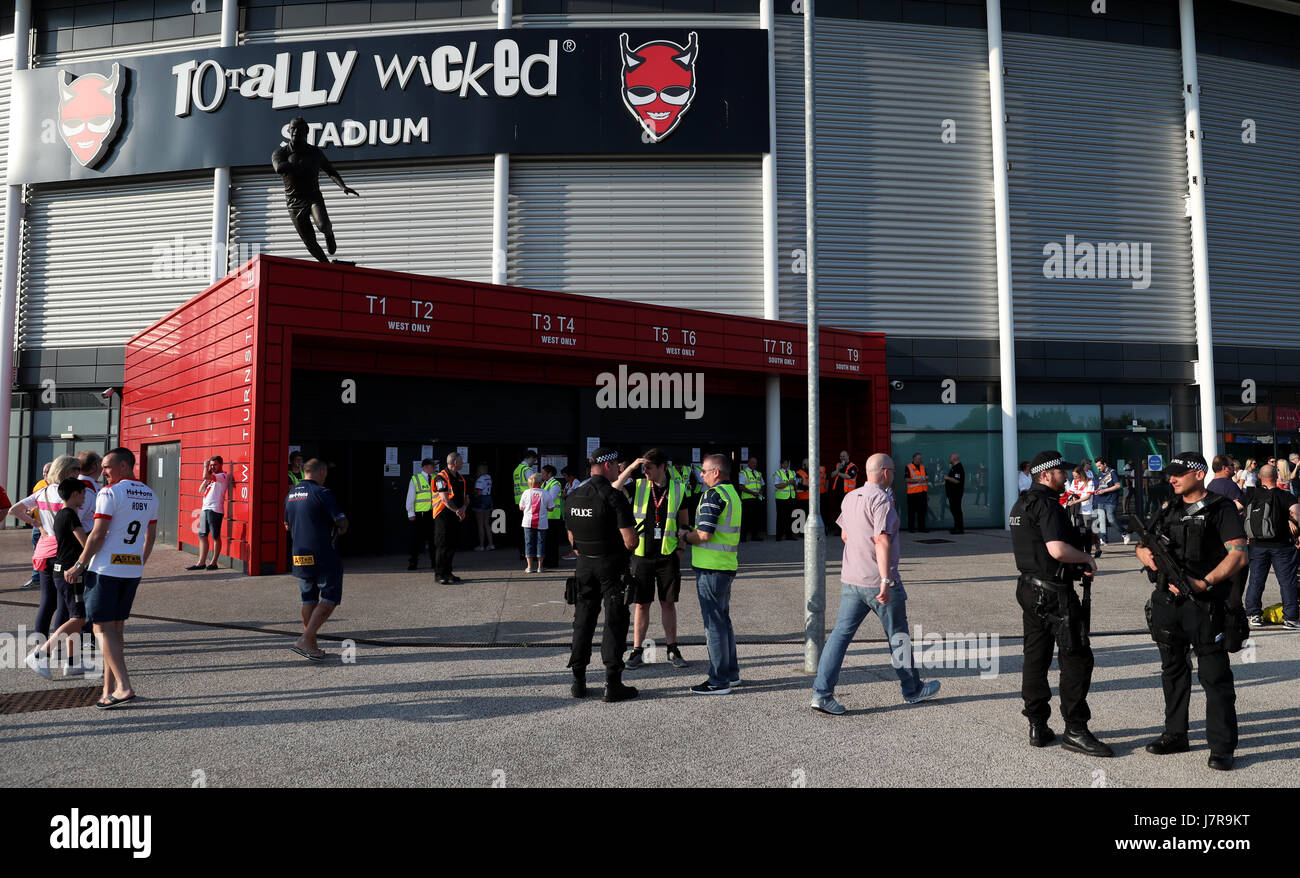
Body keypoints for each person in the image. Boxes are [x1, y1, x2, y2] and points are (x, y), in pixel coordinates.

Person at [1135, 451, 1248, 770]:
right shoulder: (1168, 507)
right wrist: (1144, 555)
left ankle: (1222, 746)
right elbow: (1142, 544)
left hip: (1205, 604)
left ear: (1199, 474)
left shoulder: (1220, 508)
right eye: (1170, 474)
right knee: (1172, 671)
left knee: (1215, 676)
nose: (1171, 478)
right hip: (1168, 605)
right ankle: (1175, 734)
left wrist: (1203, 583)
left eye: (1179, 474)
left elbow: (1238, 554)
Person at [810, 453, 941, 715]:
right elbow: (882, 540)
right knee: (898, 637)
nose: (893, 475)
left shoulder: (851, 497)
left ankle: (821, 694)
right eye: (892, 470)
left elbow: (846, 535)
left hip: (852, 579)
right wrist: (885, 579)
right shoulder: (882, 498)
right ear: (884, 473)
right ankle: (912, 690)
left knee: (839, 636)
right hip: (879, 582)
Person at [1009, 451, 1111, 757]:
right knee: (1076, 657)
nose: (1065, 476)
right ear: (1044, 475)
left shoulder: (1021, 503)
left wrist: (1079, 539)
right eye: (1059, 472)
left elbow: (1039, 544)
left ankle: (1038, 725)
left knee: (1035, 656)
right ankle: (1076, 730)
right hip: (1054, 592)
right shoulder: (1047, 504)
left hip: (1029, 589)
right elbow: (1056, 549)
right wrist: (1085, 557)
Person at [62, 447, 158, 709]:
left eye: (107, 466)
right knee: (114, 632)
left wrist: (80, 564)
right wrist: (140, 562)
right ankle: (108, 689)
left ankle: (124, 686)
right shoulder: (150, 494)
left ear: (124, 466)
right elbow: (150, 537)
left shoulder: (109, 492)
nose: (103, 472)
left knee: (101, 630)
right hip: (131, 570)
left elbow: (98, 534)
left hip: (105, 570)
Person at [563, 448, 638, 702]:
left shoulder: (573, 495)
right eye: (617, 464)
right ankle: (613, 683)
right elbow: (630, 542)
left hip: (584, 565)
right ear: (607, 466)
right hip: (611, 567)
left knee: (582, 620)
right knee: (615, 622)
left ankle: (578, 681)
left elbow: (572, 540)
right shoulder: (614, 497)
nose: (619, 468)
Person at [614, 450, 690, 671]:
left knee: (668, 603)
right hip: (641, 556)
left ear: (662, 467)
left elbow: (684, 523)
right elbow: (613, 490)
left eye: (649, 467)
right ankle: (637, 650)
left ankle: (672, 649)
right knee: (641, 604)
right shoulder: (637, 485)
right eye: (643, 467)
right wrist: (629, 468)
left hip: (668, 555)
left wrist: (681, 549)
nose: (644, 471)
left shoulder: (678, 489)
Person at [680, 453, 742, 694]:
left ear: (716, 472)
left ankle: (718, 680)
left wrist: (684, 536)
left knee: (714, 624)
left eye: (704, 471)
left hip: (711, 567)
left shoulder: (713, 495)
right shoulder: (732, 494)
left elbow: (704, 534)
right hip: (725, 565)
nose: (701, 475)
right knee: (723, 621)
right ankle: (731, 674)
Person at [24, 478, 91, 679]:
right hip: (71, 572)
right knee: (79, 618)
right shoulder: (70, 515)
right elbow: (85, 543)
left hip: (60, 570)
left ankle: (72, 662)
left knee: (74, 617)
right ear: (74, 494)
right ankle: (40, 653)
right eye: (83, 493)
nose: (85, 497)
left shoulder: (61, 514)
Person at [283, 458, 348, 662]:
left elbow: (286, 525)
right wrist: (341, 527)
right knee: (329, 597)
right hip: (322, 553)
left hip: (299, 553)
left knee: (308, 598)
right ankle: (305, 639)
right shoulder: (323, 493)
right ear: (320, 473)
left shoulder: (291, 495)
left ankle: (310, 643)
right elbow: (341, 521)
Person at [271, 116, 359, 263]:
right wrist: (299, 164)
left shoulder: (314, 153)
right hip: (294, 202)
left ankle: (329, 234)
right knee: (309, 241)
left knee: (323, 224)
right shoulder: (281, 153)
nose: (295, 132)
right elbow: (279, 168)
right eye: (293, 128)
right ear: (288, 130)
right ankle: (325, 266)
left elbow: (330, 170)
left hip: (313, 197)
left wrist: (343, 186)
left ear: (306, 132)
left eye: (299, 129)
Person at [12, 455, 82, 643]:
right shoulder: (68, 494)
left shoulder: (42, 493)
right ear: (67, 471)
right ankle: (56, 646)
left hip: (43, 551)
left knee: (47, 602)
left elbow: (14, 510)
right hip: (63, 551)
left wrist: (38, 524)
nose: (79, 473)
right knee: (64, 604)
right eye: (76, 469)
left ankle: (39, 643)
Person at [1241, 464, 1300, 630]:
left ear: (1260, 476)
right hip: (1282, 545)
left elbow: (1235, 508)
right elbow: (1297, 512)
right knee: (1287, 581)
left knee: (1256, 580)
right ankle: (1290, 618)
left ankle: (1254, 614)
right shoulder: (1285, 495)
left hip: (1256, 545)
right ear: (1277, 476)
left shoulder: (1250, 494)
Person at [432, 451, 469, 585]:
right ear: (455, 463)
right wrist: (457, 510)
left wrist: (463, 508)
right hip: (443, 516)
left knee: (452, 545)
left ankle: (448, 572)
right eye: (461, 461)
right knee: (442, 546)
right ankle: (439, 574)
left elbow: (466, 497)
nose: (462, 463)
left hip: (456, 515)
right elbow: (444, 499)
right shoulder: (441, 478)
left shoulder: (461, 478)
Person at [191, 455, 229, 571]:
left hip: (215, 509)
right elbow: (201, 490)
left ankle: (214, 562)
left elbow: (205, 475)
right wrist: (206, 478)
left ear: (221, 464)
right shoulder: (211, 478)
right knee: (202, 535)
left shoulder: (222, 476)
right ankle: (201, 562)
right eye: (211, 465)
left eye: (215, 464)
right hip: (205, 508)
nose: (212, 467)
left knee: (215, 536)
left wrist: (205, 467)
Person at [19, 462, 52, 589]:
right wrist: (30, 512)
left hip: (51, 526)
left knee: (53, 554)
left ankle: (50, 579)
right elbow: (34, 502)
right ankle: (36, 578)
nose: (44, 474)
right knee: (37, 553)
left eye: (47, 472)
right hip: (38, 525)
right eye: (43, 472)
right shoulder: (39, 485)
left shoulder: (59, 485)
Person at [406, 458, 437, 571]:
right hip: (419, 514)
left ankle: (435, 562)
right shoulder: (415, 479)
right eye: (433, 466)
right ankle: (413, 562)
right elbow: (410, 496)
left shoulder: (435, 478)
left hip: (432, 513)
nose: (434, 468)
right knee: (416, 540)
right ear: (426, 467)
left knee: (433, 539)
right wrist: (410, 512)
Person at [518, 472, 552, 573]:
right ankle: (540, 567)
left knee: (529, 543)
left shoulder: (526, 493)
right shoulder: (546, 493)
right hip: (542, 522)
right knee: (541, 543)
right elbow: (551, 508)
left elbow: (521, 507)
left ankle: (529, 567)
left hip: (528, 522)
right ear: (541, 482)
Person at [1091, 458, 1126, 547]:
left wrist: (1105, 490)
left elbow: (1118, 486)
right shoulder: (1099, 473)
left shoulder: (1112, 472)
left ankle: (1124, 533)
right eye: (1097, 466)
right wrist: (1098, 490)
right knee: (1101, 520)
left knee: (1111, 519)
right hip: (1101, 499)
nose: (1098, 468)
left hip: (1111, 500)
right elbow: (1101, 484)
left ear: (1105, 464)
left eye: (1099, 466)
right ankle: (1104, 539)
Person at [513, 449, 539, 559]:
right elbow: (532, 486)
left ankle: (522, 552)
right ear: (531, 458)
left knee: (522, 528)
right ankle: (528, 553)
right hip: (528, 502)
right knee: (528, 529)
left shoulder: (517, 470)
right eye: (534, 460)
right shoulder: (527, 470)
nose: (534, 462)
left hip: (519, 502)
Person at [540, 465, 565, 570]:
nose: (542, 475)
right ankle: (547, 560)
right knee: (547, 541)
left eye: (543, 473)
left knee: (552, 541)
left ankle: (553, 562)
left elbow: (550, 498)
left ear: (550, 474)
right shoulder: (544, 483)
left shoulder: (555, 484)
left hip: (553, 517)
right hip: (546, 516)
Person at [828, 451, 857, 536]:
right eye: (840, 456)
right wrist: (838, 469)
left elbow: (848, 476)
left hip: (848, 493)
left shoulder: (853, 466)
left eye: (844, 456)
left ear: (848, 456)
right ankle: (839, 530)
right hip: (837, 492)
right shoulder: (838, 465)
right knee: (838, 511)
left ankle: (848, 530)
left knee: (847, 512)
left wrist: (839, 473)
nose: (842, 458)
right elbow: (832, 475)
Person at [738, 456, 765, 542]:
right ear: (748, 463)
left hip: (757, 498)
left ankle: (754, 536)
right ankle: (743, 537)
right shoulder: (743, 473)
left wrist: (761, 491)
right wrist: (752, 492)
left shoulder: (758, 473)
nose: (754, 464)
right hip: (747, 499)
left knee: (756, 518)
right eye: (753, 462)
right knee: (746, 519)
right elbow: (741, 486)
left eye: (755, 463)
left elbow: (763, 485)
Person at [772, 457, 797, 541]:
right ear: (781, 464)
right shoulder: (778, 473)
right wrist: (788, 483)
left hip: (791, 497)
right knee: (780, 517)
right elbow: (777, 485)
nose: (786, 465)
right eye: (784, 463)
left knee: (790, 517)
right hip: (781, 498)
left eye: (787, 463)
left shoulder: (792, 473)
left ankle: (789, 535)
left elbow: (796, 486)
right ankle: (779, 536)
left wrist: (794, 483)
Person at [472, 463, 495, 551]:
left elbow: (479, 492)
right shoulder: (488, 477)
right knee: (486, 523)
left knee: (480, 524)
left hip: (481, 499)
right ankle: (491, 544)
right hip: (489, 498)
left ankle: (481, 546)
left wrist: (474, 493)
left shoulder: (480, 479)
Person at [904, 452, 928, 533]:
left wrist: (926, 477)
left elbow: (926, 476)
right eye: (919, 459)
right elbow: (906, 479)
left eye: (921, 459)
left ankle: (922, 528)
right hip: (912, 493)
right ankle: (911, 528)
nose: (920, 460)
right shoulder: (908, 467)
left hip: (922, 492)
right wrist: (918, 479)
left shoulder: (922, 466)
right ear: (914, 459)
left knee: (922, 511)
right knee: (912, 512)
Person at [943, 452, 965, 534]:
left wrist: (947, 478)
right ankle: (956, 527)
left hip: (956, 493)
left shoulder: (958, 468)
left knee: (956, 510)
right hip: (952, 493)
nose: (949, 459)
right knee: (954, 510)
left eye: (950, 457)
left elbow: (957, 480)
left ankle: (959, 529)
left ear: (954, 458)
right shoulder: (954, 467)